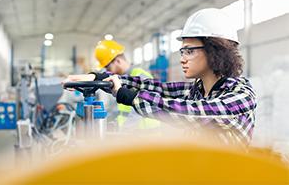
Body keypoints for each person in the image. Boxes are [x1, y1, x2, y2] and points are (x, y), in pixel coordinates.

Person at [64, 8, 256, 146]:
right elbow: (159, 88)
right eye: (182, 52)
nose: (182, 59)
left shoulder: (241, 95)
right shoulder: (197, 89)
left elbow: (192, 112)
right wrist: (100, 77)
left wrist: (129, 96)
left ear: (215, 51)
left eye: (189, 51)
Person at [94, 39, 160, 131]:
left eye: (108, 67)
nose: (107, 71)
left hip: (146, 133)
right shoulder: (121, 79)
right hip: (134, 132)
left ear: (118, 61)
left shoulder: (140, 76)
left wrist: (123, 131)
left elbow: (137, 111)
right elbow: (121, 110)